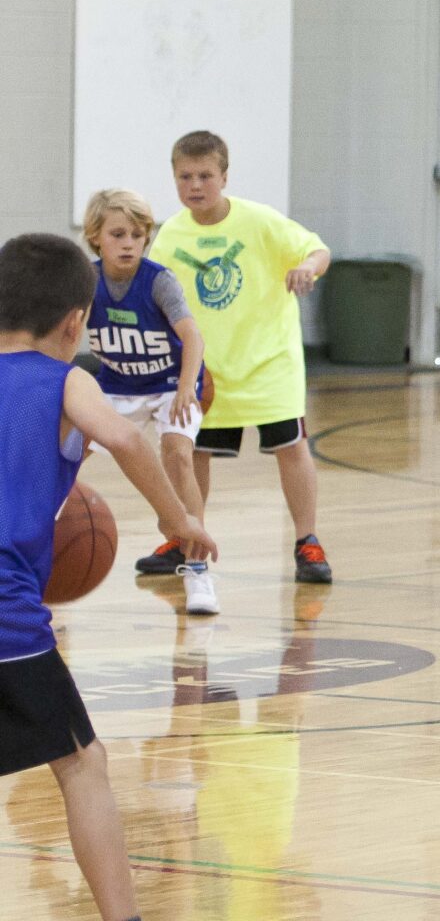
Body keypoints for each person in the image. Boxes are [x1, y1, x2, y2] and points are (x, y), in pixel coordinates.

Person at [0, 232, 216, 921]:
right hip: (6, 612)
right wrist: (180, 519)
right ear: (74, 322)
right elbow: (126, 437)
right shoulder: (66, 379)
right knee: (82, 764)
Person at [148, 131, 334, 583]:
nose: (195, 185)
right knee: (193, 456)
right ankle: (186, 537)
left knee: (291, 448)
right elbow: (151, 290)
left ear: (224, 177)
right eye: (185, 176)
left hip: (269, 364)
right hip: (207, 370)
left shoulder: (258, 221)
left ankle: (307, 542)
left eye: (205, 176)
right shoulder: (172, 233)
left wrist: (307, 268)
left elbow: (317, 249)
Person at [79, 190, 216, 616]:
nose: (129, 243)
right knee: (66, 453)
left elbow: (192, 336)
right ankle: (36, 553)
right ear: (96, 236)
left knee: (177, 455)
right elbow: (65, 335)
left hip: (169, 385)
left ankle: (196, 569)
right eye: (118, 234)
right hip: (116, 386)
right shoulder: (87, 280)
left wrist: (185, 389)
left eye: (138, 235)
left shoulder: (159, 281)